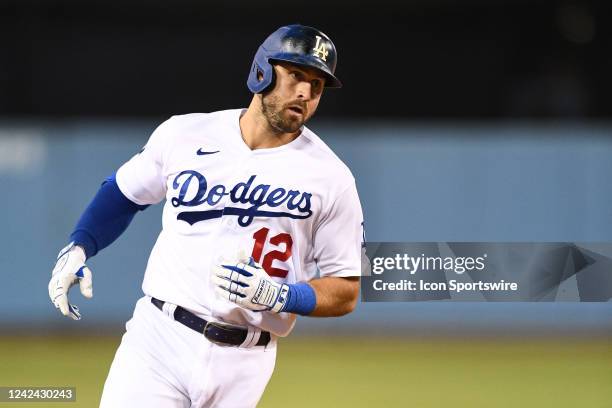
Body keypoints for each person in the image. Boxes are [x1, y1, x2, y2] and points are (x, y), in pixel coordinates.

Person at [48, 24, 364, 407]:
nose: (304, 92)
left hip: (247, 358)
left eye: (316, 85)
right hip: (159, 340)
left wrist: (280, 295)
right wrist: (80, 246)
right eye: (296, 75)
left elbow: (346, 290)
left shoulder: (332, 177)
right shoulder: (186, 134)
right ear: (262, 71)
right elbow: (123, 192)